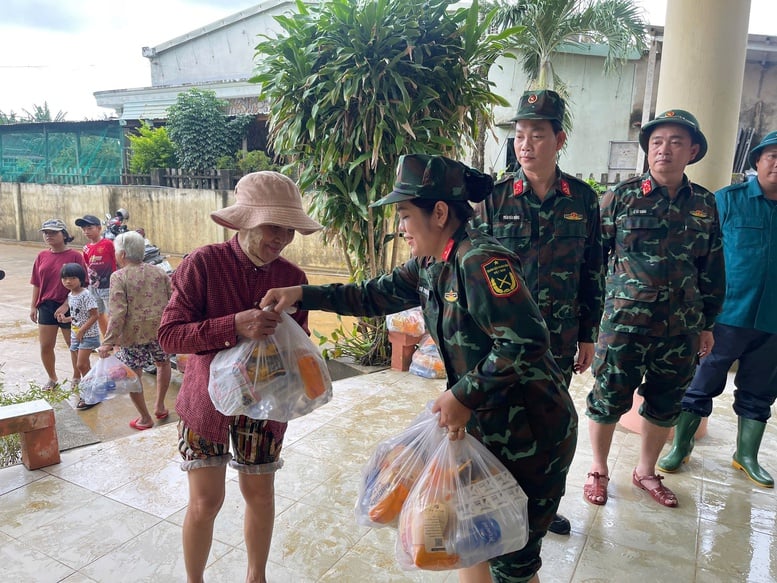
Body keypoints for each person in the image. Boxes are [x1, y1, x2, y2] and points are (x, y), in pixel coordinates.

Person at [261, 155, 577, 583]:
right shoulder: (430, 262)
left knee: (512, 561)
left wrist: (463, 394)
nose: (402, 227)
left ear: (440, 213)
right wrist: (302, 293)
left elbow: (526, 340)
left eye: (406, 215)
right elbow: (372, 295)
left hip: (530, 433)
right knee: (468, 537)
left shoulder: (480, 261)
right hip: (483, 427)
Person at [157, 171, 324, 583]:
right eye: (273, 226)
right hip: (205, 403)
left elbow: (297, 343)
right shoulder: (203, 264)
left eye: (289, 229)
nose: (282, 238)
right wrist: (233, 325)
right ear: (245, 221)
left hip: (267, 405)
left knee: (260, 495)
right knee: (206, 502)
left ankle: (256, 577)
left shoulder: (293, 279)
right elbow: (169, 335)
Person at [474, 89, 604, 536]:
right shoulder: (494, 199)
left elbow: (592, 270)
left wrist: (588, 334)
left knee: (550, 427)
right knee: (499, 426)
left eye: (537, 135)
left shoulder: (582, 200)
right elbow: (474, 273)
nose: (525, 144)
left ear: (559, 139)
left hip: (557, 341)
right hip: (502, 343)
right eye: (519, 134)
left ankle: (542, 509)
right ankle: (498, 508)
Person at [583, 109, 725, 508]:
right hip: (624, 324)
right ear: (647, 149)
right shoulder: (621, 196)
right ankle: (598, 469)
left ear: (692, 151)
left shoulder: (704, 204)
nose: (664, 149)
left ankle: (646, 471)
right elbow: (593, 260)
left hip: (681, 326)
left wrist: (708, 323)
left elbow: (712, 266)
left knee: (666, 403)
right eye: (657, 142)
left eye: (676, 142)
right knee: (608, 397)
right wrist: (592, 319)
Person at [658, 130, 777, 488]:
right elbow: (702, 257)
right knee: (701, 382)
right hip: (727, 314)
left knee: (761, 389)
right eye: (772, 156)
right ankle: (681, 446)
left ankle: (746, 455)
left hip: (773, 321)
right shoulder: (727, 201)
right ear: (757, 161)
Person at [97, 231, 172, 430]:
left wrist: (108, 342)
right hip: (160, 331)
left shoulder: (119, 276)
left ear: (122, 254)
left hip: (133, 336)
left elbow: (117, 312)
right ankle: (160, 406)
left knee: (133, 373)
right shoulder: (159, 272)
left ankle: (145, 418)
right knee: (163, 363)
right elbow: (172, 300)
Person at [29, 219, 87, 389]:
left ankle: (76, 377)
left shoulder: (75, 256)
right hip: (46, 306)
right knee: (46, 346)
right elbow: (36, 283)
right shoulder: (42, 256)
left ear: (64, 234)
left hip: (72, 306)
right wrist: (33, 306)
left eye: (53, 232)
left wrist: (66, 304)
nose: (49, 235)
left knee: (73, 345)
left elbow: (83, 284)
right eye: (46, 233)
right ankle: (52, 378)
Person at [57, 263, 101, 410]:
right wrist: (66, 319)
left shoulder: (86, 295)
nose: (68, 281)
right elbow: (77, 316)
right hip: (77, 334)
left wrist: (81, 330)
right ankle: (92, 390)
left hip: (88, 335)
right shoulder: (70, 295)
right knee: (84, 365)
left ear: (81, 279)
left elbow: (95, 315)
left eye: (72, 278)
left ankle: (90, 394)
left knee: (81, 365)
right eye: (65, 278)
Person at [76, 214, 116, 337]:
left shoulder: (108, 244)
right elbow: (88, 266)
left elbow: (117, 261)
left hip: (108, 286)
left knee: (113, 315)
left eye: (89, 228)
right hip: (93, 287)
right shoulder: (86, 248)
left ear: (99, 228)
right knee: (98, 313)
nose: (86, 231)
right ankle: (107, 338)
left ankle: (116, 341)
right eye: (84, 229)